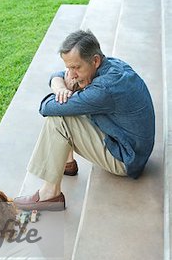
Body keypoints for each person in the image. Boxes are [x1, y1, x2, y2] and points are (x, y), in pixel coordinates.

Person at [14, 29, 155, 211]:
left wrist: (63, 91)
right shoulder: (110, 64)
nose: (71, 74)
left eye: (76, 68)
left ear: (95, 60)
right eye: (69, 68)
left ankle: (50, 194)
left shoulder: (105, 88)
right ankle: (67, 163)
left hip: (126, 158)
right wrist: (60, 87)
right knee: (71, 102)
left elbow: (46, 108)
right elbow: (56, 75)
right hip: (129, 144)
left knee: (59, 120)